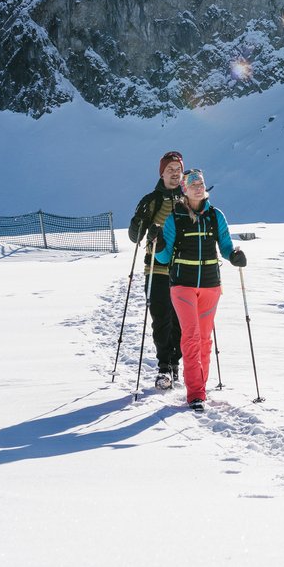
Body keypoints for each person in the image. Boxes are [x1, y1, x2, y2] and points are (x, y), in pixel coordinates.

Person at [155, 169, 246, 412]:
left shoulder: (216, 217)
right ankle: (195, 393)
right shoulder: (175, 218)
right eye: (192, 183)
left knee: (205, 340)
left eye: (201, 183)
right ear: (184, 189)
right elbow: (164, 258)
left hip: (210, 285)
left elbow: (225, 247)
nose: (198, 186)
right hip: (182, 286)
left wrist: (235, 255)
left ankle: (200, 389)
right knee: (192, 336)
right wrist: (159, 244)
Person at [128, 151, 185, 390]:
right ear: (161, 173)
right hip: (156, 268)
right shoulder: (151, 201)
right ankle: (164, 367)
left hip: (184, 267)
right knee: (161, 319)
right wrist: (140, 223)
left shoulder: (189, 199)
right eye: (169, 169)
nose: (174, 173)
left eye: (178, 169)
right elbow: (134, 237)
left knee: (182, 321)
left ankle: (176, 364)